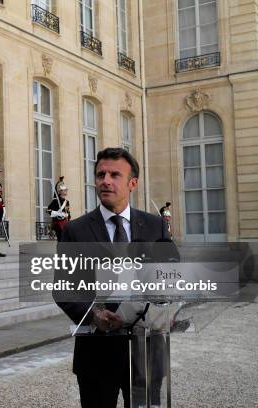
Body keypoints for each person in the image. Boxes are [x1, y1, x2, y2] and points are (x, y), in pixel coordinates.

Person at [55, 147, 170, 408]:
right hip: (96, 352)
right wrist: (93, 313)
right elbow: (63, 287)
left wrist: (164, 307)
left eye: (114, 174)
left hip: (146, 348)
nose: (105, 180)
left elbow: (171, 277)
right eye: (100, 174)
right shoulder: (76, 230)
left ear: (132, 183)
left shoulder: (155, 226)